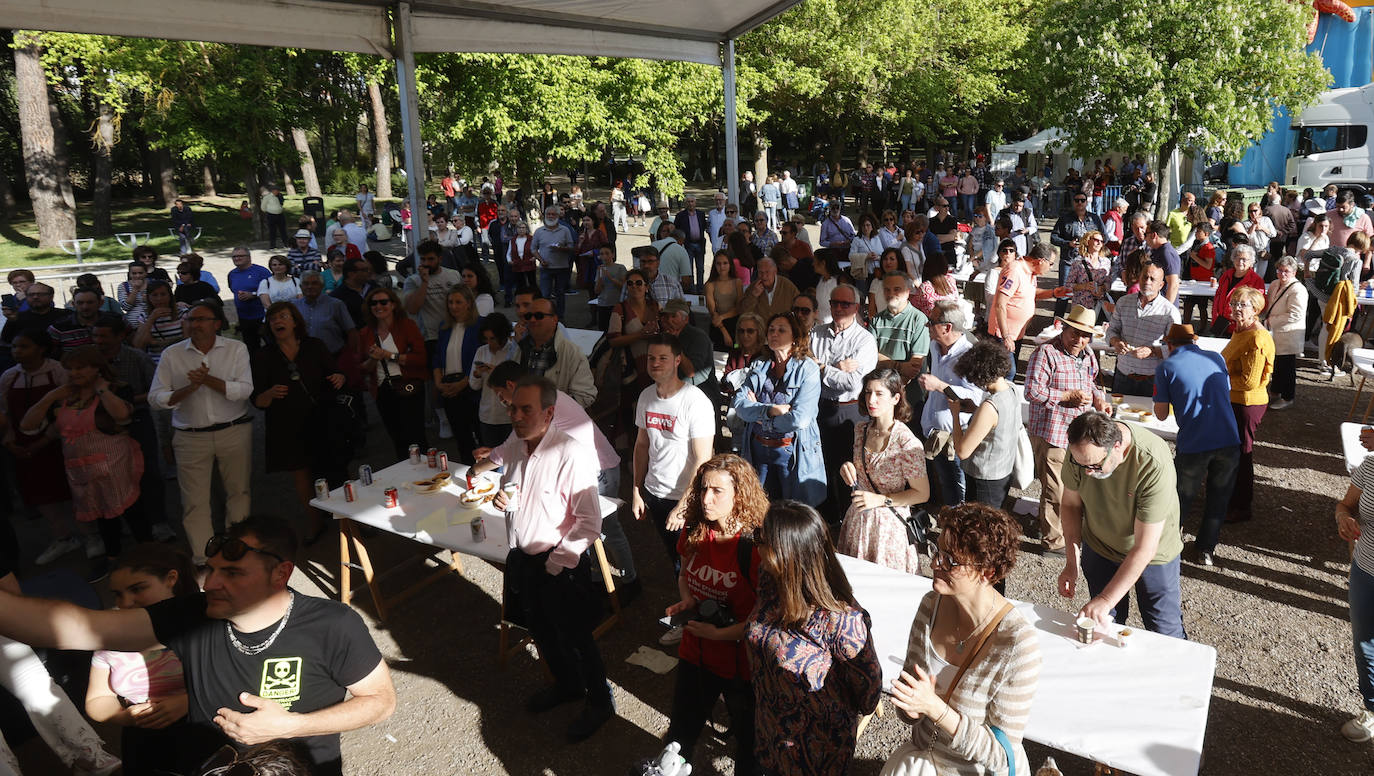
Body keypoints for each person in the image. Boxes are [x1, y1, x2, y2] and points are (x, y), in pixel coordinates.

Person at [0, 516, 394, 774]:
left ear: (281, 573)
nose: (212, 583)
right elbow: (77, 629)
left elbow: (380, 701)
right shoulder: (191, 614)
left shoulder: (332, 624)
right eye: (214, 570)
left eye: (233, 572)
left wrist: (294, 725)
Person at [492, 376, 615, 742]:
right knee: (542, 630)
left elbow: (589, 521)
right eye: (513, 407)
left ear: (548, 412)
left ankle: (600, 703)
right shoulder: (515, 447)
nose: (516, 415)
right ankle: (568, 685)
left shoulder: (570, 452)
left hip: (559, 562)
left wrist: (557, 563)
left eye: (525, 409)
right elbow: (519, 495)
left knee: (577, 636)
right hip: (526, 558)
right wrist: (506, 501)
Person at [883, 503, 1041, 776]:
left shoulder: (1017, 644)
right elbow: (909, 712)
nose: (934, 563)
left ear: (987, 573)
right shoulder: (930, 605)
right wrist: (911, 707)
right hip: (923, 761)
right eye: (937, 551)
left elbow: (1002, 758)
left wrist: (935, 708)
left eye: (951, 560)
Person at [747, 499, 882, 776]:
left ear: (788, 554)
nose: (755, 541)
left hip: (816, 750)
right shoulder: (770, 577)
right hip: (769, 729)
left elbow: (869, 692)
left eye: (762, 537)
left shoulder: (842, 620)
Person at [663, 454, 767, 776]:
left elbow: (766, 619)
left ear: (740, 495)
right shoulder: (695, 528)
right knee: (680, 735)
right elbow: (683, 575)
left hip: (741, 667)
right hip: (696, 653)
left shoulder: (754, 546)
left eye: (717, 491)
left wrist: (719, 634)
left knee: (750, 748)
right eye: (703, 489)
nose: (706, 499)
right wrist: (688, 601)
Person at [21, 345, 149, 580]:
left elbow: (122, 415)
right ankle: (113, 558)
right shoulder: (64, 397)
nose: (73, 373)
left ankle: (151, 555)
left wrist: (102, 391)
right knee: (101, 515)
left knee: (132, 510)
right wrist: (49, 398)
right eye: (70, 369)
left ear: (97, 368)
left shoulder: (117, 389)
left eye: (81, 368)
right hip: (80, 469)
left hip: (115, 464)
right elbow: (27, 426)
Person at [1058, 411, 1186, 638]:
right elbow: (1070, 505)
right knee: (1105, 621)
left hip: (1153, 555)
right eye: (1082, 465)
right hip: (1100, 547)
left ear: (1117, 446)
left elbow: (1145, 547)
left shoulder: (1152, 461)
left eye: (1095, 466)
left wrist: (1107, 599)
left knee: (1164, 628)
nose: (1087, 472)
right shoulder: (1082, 451)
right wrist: (1071, 562)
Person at [149, 301, 253, 565]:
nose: (195, 324)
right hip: (190, 436)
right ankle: (203, 560)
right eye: (190, 319)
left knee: (238, 492)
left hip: (234, 430)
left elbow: (244, 391)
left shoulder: (236, 349)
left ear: (217, 323)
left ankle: (235, 550)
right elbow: (156, 398)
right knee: (195, 502)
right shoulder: (172, 354)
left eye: (202, 319)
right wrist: (188, 389)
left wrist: (207, 381)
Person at [86, 543, 198, 775]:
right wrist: (124, 716)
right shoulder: (111, 634)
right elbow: (97, 699)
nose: (125, 603)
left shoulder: (202, 624)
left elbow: (241, 681)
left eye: (138, 589)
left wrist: (187, 702)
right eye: (117, 594)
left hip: (202, 727)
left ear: (171, 579)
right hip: (144, 737)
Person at [633, 334, 718, 608]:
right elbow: (641, 446)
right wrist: (636, 490)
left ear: (677, 361)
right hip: (656, 493)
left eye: (662, 358)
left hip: (687, 498)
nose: (655, 363)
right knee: (676, 558)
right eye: (651, 358)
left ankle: (697, 617)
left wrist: (684, 504)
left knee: (694, 563)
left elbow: (703, 459)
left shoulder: (696, 401)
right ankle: (689, 613)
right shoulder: (646, 396)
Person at [252, 302, 346, 542]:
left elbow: (337, 374)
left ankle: (351, 519)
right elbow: (257, 400)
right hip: (286, 424)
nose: (277, 322)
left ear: (295, 321)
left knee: (335, 469)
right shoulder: (263, 356)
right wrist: (269, 393)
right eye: (272, 319)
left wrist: (339, 376)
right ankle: (314, 522)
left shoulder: (315, 345)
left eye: (283, 316)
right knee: (302, 474)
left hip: (322, 418)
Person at [1152, 324, 1240, 567]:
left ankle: (1169, 544)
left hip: (1194, 441)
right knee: (1218, 498)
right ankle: (1206, 550)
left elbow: (1160, 414)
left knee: (1180, 496)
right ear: (1193, 341)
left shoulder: (1166, 367)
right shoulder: (1216, 358)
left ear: (1169, 345)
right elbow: (1225, 390)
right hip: (1229, 438)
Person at [1025, 305, 1109, 557]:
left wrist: (1099, 401)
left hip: (1079, 435)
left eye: (1085, 336)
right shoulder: (1045, 353)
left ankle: (1067, 529)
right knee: (1055, 490)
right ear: (1063, 328)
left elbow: (1092, 382)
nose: (1079, 340)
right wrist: (1065, 396)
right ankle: (1052, 541)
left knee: (1075, 486)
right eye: (1075, 333)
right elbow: (1031, 391)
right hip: (1053, 433)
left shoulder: (1088, 355)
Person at [836, 367, 930, 574]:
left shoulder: (906, 442)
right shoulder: (860, 429)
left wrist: (880, 500)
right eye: (868, 392)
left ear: (896, 398)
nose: (871, 400)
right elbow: (861, 469)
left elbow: (922, 494)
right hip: (858, 520)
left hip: (888, 528)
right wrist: (848, 468)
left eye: (879, 394)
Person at [735, 312, 825, 504]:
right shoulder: (760, 365)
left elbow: (800, 419)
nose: (774, 334)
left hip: (791, 453)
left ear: (795, 338)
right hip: (758, 449)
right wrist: (770, 410)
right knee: (760, 510)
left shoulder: (807, 369)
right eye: (771, 330)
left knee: (792, 515)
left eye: (781, 330)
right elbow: (739, 405)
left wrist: (758, 414)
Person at [811, 283, 878, 521]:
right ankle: (827, 516)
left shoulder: (865, 341)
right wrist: (833, 369)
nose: (838, 308)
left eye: (845, 304)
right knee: (822, 462)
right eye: (834, 303)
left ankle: (851, 518)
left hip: (850, 410)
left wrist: (821, 367)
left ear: (856, 307)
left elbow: (851, 383)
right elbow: (806, 371)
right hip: (819, 406)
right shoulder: (816, 333)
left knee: (849, 466)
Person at [1221, 285, 1275, 525]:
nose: (1236, 308)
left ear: (1255, 310)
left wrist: (1218, 378)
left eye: (1242, 305)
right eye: (1234, 303)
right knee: (1232, 452)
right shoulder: (1240, 330)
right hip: (1234, 400)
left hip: (1247, 404)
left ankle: (1242, 506)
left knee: (1243, 453)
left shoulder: (1256, 337)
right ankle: (1230, 498)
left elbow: (1248, 381)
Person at [949, 340, 1022, 513]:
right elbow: (998, 422)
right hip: (1003, 472)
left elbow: (962, 450)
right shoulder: (1011, 390)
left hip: (984, 479)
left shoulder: (989, 406)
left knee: (980, 529)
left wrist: (955, 414)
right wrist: (974, 409)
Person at [358, 287, 427, 462]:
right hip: (383, 391)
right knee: (398, 439)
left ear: (394, 305)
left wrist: (389, 356)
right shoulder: (365, 333)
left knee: (417, 437)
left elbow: (420, 358)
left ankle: (428, 479)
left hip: (409, 387)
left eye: (383, 302)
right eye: (373, 303)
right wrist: (374, 359)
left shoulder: (407, 326)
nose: (378, 306)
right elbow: (362, 368)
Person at [1335, 451, 1374, 742]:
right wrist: (1344, 519)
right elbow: (1346, 505)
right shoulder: (1372, 463)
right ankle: (1371, 708)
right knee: (1365, 643)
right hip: (1366, 569)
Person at [990, 244, 1063, 380]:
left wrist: (1053, 293)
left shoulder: (1031, 272)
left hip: (1016, 333)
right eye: (1051, 264)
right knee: (1007, 372)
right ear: (1041, 261)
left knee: (1009, 371)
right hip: (1004, 334)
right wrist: (1006, 336)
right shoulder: (1014, 271)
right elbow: (1000, 304)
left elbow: (1030, 293)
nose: (1051, 268)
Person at [1106, 262, 1180, 396]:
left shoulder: (1170, 312)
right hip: (1123, 374)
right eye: (1144, 277)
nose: (1147, 281)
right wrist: (1116, 341)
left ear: (1161, 285)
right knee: (1117, 415)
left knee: (1149, 416)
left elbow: (1177, 349)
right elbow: (1111, 330)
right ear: (1139, 279)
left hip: (1152, 379)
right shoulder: (1123, 302)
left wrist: (1152, 351)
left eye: (1152, 279)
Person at [432, 286, 483, 463]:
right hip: (449, 387)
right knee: (462, 438)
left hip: (472, 387)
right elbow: (438, 356)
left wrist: (464, 383)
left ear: (469, 303)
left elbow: (482, 358)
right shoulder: (444, 327)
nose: (453, 306)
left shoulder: (480, 325)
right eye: (451, 302)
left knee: (480, 435)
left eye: (458, 302)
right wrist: (438, 383)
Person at [516, 297, 596, 407]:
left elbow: (585, 396)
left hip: (556, 421)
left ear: (554, 319)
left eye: (539, 316)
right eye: (528, 316)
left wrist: (548, 408)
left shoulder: (572, 352)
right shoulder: (519, 348)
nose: (532, 320)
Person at [869, 271, 929, 416]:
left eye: (897, 289)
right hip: (880, 396)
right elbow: (868, 357)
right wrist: (899, 366)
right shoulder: (876, 320)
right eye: (887, 289)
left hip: (909, 397)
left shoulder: (919, 320)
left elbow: (914, 367)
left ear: (908, 292)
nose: (891, 293)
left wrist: (891, 391)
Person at [467, 312, 518, 446]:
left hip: (508, 417)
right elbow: (474, 386)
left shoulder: (513, 351)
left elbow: (518, 385)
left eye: (493, 339)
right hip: (486, 416)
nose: (489, 343)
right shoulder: (481, 351)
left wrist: (497, 372)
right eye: (486, 339)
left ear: (502, 336)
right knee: (489, 455)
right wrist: (477, 374)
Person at [1264, 255, 1307, 410]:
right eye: (1280, 270)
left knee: (1287, 367)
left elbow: (1296, 314)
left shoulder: (1298, 290)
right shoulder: (1275, 284)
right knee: (1277, 365)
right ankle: (1275, 391)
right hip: (1275, 332)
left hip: (1288, 334)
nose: (1282, 274)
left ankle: (1288, 397)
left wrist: (1272, 320)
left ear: (1294, 273)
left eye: (1286, 271)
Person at [608, 268, 660, 389]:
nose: (634, 286)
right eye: (630, 283)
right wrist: (641, 335)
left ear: (646, 287)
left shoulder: (655, 307)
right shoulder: (619, 309)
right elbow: (613, 341)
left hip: (656, 366)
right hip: (630, 367)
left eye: (639, 283)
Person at [1211, 244, 1266, 336]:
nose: (1240, 262)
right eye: (1237, 258)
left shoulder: (1256, 280)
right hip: (1220, 323)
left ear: (1251, 262)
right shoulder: (1226, 275)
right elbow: (1218, 297)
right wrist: (1214, 316)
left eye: (1244, 259)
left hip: (1241, 327)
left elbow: (1259, 306)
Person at [531, 206, 577, 316]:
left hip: (562, 268)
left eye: (553, 214)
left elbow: (571, 247)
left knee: (560, 294)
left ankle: (560, 317)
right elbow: (533, 249)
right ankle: (545, 316)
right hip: (545, 268)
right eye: (548, 214)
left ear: (558, 216)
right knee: (545, 294)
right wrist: (541, 260)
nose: (551, 216)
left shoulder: (565, 230)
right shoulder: (539, 231)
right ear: (544, 216)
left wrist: (562, 249)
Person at [227, 247, 271, 354]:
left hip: (262, 317)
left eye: (240, 256)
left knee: (271, 346)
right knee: (251, 349)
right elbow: (232, 289)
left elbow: (272, 290)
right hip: (244, 318)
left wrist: (253, 295)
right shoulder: (232, 274)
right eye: (234, 256)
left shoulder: (261, 272)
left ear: (249, 257)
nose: (237, 258)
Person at [1062, 230, 1112, 320]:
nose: (1099, 243)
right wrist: (1084, 286)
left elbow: (1109, 283)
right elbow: (1068, 285)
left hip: (1099, 306)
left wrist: (1102, 288)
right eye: (1096, 240)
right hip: (1081, 306)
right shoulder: (1077, 262)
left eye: (1102, 241)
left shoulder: (1106, 262)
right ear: (1088, 241)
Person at [738, 257, 799, 322]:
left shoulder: (787, 286)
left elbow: (799, 307)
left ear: (775, 271)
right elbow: (743, 313)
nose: (764, 276)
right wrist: (753, 296)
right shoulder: (753, 287)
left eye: (767, 272)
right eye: (761, 272)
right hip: (759, 330)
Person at [705, 250, 743, 350]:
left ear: (730, 264)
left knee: (736, 350)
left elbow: (739, 307)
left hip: (736, 326)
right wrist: (724, 331)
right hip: (718, 327)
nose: (722, 267)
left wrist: (722, 317)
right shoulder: (710, 285)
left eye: (725, 263)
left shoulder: (737, 282)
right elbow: (713, 312)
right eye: (719, 263)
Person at [592, 245, 626, 332]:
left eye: (607, 253)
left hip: (617, 304)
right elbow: (597, 291)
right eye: (602, 254)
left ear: (613, 255)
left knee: (617, 330)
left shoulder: (620, 268)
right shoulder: (599, 269)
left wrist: (611, 278)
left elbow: (624, 286)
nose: (604, 256)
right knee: (603, 330)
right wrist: (600, 277)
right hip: (603, 304)